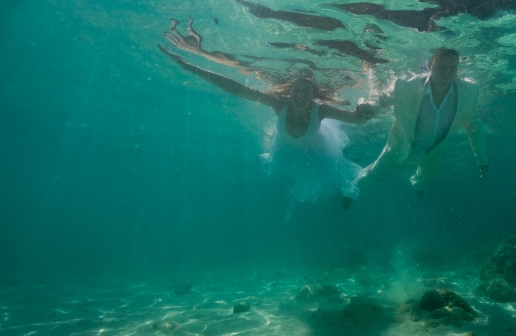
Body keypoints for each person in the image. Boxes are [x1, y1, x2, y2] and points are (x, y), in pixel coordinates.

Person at [159, 45, 375, 218]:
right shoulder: (278, 104)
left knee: (335, 174)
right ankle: (271, 163)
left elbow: (356, 120)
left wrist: (366, 107)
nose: (300, 95)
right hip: (284, 148)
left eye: (306, 91)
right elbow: (237, 88)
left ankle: (349, 194)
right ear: (289, 92)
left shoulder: (321, 109)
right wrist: (191, 68)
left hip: (318, 150)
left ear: (313, 94)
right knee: (283, 169)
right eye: (297, 90)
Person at [357, 47, 488, 198]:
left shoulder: (469, 92)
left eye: (452, 67)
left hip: (433, 153)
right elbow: (380, 99)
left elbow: (474, 127)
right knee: (373, 175)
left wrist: (482, 160)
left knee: (425, 177)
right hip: (400, 146)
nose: (446, 72)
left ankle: (416, 184)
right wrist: (370, 108)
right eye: (441, 66)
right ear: (430, 64)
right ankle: (351, 188)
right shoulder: (406, 84)